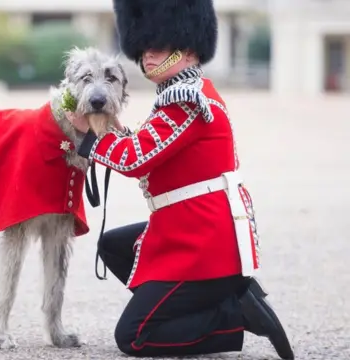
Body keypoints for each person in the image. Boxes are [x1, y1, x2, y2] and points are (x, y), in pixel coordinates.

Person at [67, 0, 295, 359]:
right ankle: (195, 306)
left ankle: (230, 315)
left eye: (160, 46)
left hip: (207, 243)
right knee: (112, 245)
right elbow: (148, 144)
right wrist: (114, 130)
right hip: (188, 227)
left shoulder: (187, 101)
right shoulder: (183, 95)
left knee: (134, 337)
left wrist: (88, 137)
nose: (149, 54)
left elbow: (135, 160)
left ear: (188, 50)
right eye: (145, 46)